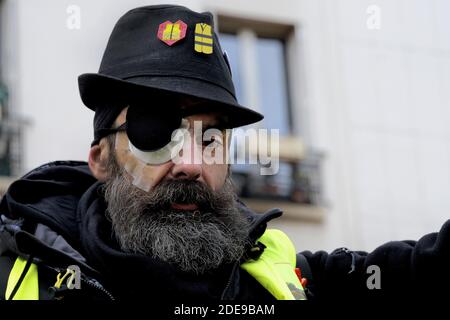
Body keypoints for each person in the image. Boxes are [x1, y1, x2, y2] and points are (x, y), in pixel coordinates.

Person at [0, 4, 448, 302]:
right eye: (154, 133)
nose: (191, 163)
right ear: (100, 159)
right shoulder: (18, 272)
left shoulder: (277, 276)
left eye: (210, 137)